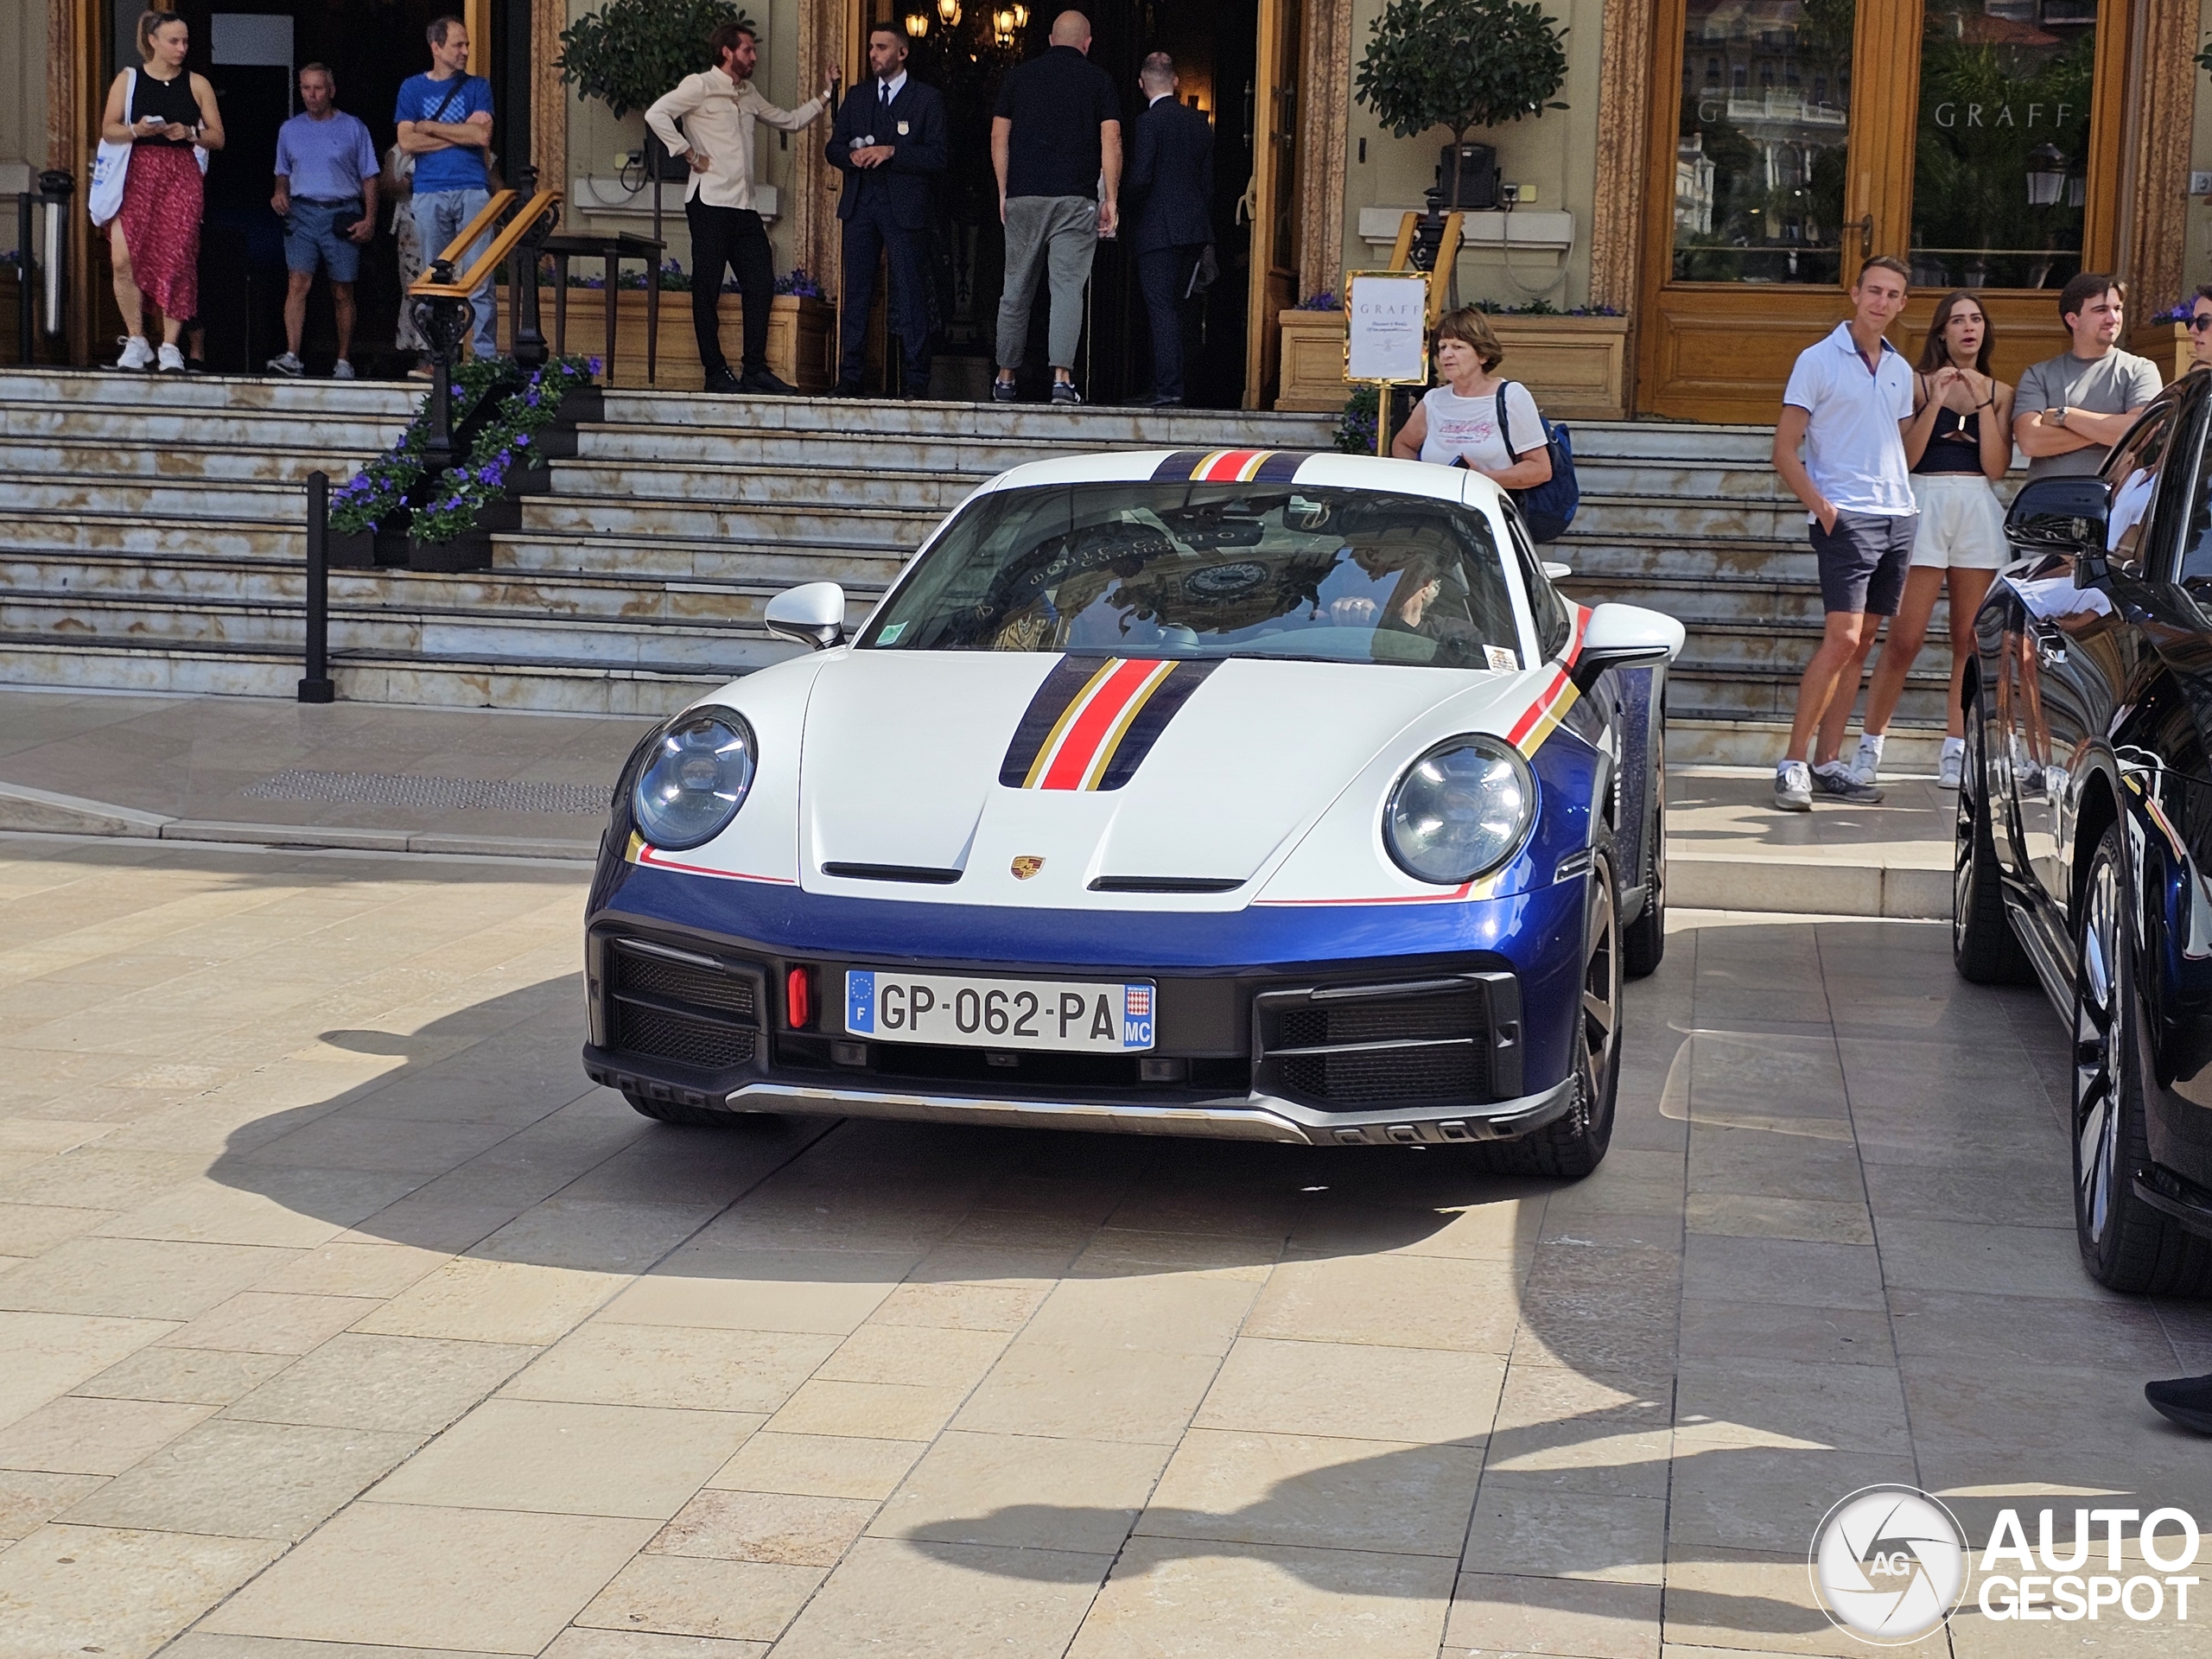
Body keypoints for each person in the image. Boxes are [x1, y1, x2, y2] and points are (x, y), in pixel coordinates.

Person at [1849, 292, 2014, 792]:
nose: (1969, 328)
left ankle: (1956, 748)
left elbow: (1996, 467)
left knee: (1969, 638)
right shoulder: (1915, 382)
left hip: (1975, 507)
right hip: (1921, 500)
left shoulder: (2003, 391)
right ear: (1941, 331)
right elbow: (1907, 456)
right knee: (1905, 638)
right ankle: (1869, 746)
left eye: (1977, 320)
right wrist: (1938, 399)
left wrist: (1983, 402)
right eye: (1958, 321)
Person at [1770, 256, 1917, 812]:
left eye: (1893, 294)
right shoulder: (1817, 359)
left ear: (1903, 305)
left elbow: (1897, 445)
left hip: (1898, 516)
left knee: (1861, 648)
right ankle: (1793, 762)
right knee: (1842, 640)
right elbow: (1784, 450)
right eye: (1873, 290)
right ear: (1855, 293)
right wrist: (1824, 508)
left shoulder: (1902, 369)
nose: (1881, 301)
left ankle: (1830, 763)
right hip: (1847, 517)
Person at [648, 22, 836, 397]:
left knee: (761, 283)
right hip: (710, 204)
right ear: (727, 52)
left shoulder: (747, 93)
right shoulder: (699, 85)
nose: (754, 57)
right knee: (707, 289)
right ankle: (714, 371)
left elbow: (790, 120)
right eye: (748, 50)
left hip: (743, 208)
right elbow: (657, 114)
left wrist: (828, 94)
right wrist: (688, 153)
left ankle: (754, 370)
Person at [991, 11, 1121, 406]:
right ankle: (1062, 381)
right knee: (1066, 289)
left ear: (1050, 40)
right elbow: (1111, 137)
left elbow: (999, 134)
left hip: (1024, 197)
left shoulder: (1018, 76)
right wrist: (1110, 197)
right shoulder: (1099, 80)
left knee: (1015, 289)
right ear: (1087, 43)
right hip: (1074, 200)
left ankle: (1005, 378)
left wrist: (1003, 191)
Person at [99, 10, 225, 373]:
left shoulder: (196, 83)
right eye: (174, 41)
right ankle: (137, 339)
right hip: (137, 173)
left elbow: (218, 136)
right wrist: (138, 129)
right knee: (123, 257)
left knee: (179, 256)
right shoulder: (129, 80)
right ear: (153, 41)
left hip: (180, 174)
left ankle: (170, 346)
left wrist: (190, 134)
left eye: (185, 41)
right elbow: (109, 129)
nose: (182, 48)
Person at [826, 24, 947, 399]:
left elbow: (939, 157)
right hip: (861, 203)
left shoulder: (926, 99)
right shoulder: (858, 97)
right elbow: (833, 147)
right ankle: (850, 376)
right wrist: (851, 155)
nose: (873, 54)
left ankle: (916, 379)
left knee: (910, 292)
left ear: (902, 53)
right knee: (857, 292)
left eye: (881, 48)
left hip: (905, 208)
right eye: (871, 47)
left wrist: (892, 151)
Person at [395, 16, 497, 365]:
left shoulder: (478, 86)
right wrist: (459, 132)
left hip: (472, 189)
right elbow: (406, 142)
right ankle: (440, 354)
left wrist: (430, 128)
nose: (466, 51)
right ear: (436, 47)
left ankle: (484, 358)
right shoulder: (412, 88)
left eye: (467, 44)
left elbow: (481, 136)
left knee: (479, 278)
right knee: (435, 281)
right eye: (458, 45)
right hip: (429, 192)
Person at [268, 64, 379, 379]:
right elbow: (282, 172)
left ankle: (343, 360)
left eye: (318, 88)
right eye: (305, 88)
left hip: (341, 211)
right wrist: (279, 193)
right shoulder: (289, 129)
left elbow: (370, 177)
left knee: (342, 289)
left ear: (331, 91)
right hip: (302, 213)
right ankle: (292, 356)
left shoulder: (354, 127)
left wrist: (369, 218)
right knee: (297, 283)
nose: (311, 95)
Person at [2013, 272, 2162, 482]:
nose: (2113, 318)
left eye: (2117, 309)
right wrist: (2109, 433)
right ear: (2073, 319)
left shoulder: (2141, 370)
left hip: (2113, 505)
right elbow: (2030, 442)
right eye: (2101, 310)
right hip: (2050, 505)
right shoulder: (2039, 375)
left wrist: (2064, 416)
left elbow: (2142, 432)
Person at [1126, 53, 1212, 408]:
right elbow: (1207, 185)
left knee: (1160, 309)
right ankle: (1169, 383)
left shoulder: (1148, 123)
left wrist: (1119, 202)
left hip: (1157, 231)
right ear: (1175, 81)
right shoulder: (1199, 123)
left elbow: (1141, 178)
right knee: (1178, 310)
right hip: (1192, 231)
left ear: (1142, 84)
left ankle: (1168, 389)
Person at [1390, 307, 1554, 493]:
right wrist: (1421, 480)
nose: (1446, 355)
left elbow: (1540, 469)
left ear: (1482, 355)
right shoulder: (1433, 400)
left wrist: (1481, 479)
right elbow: (1403, 445)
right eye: (1443, 347)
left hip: (1487, 511)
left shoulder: (1511, 397)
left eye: (1457, 347)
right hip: (1437, 514)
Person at [383, 142, 430, 375]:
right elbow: (388, 184)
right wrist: (414, 183)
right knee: (417, 290)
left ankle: (455, 356)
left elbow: (492, 181)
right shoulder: (400, 149)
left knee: (454, 287)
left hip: (457, 227)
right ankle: (425, 357)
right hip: (413, 226)